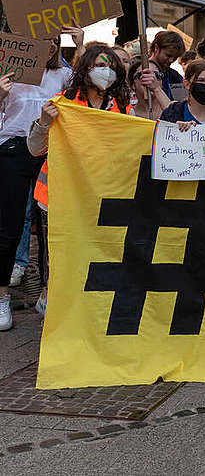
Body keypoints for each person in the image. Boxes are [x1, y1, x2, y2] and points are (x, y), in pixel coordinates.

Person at [27, 44, 136, 320]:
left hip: (101, 197)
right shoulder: (62, 104)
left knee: (95, 256)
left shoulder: (122, 107)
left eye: (111, 67)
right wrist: (42, 122)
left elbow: (135, 146)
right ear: (85, 69)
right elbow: (35, 149)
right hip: (59, 196)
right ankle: (54, 311)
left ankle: (87, 315)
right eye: (100, 65)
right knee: (61, 258)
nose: (106, 72)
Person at [0, 32, 76, 323]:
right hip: (13, 149)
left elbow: (82, 95)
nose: (49, 47)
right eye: (42, 41)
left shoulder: (63, 75)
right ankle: (3, 295)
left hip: (49, 150)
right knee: (9, 225)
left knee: (50, 225)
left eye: (54, 42)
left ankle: (48, 293)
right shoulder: (9, 74)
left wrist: (80, 46)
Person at [148, 30, 186, 98]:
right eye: (168, 55)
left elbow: (182, 100)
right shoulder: (141, 70)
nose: (171, 60)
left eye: (175, 57)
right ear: (156, 48)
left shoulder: (175, 76)